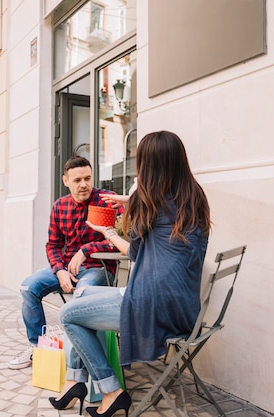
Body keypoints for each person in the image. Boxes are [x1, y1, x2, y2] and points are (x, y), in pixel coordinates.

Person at [49, 131, 211, 417]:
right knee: (83, 295)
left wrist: (109, 231)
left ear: (149, 165)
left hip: (151, 304)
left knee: (68, 315)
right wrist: (131, 201)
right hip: (184, 306)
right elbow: (157, 226)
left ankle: (111, 390)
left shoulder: (149, 202)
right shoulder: (192, 196)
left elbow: (134, 252)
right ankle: (75, 381)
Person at [8, 156, 122, 370]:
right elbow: (52, 245)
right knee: (28, 287)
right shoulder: (60, 206)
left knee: (83, 296)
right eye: (77, 180)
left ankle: (85, 358)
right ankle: (37, 348)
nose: (84, 184)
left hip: (100, 269)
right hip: (67, 268)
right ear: (66, 181)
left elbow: (122, 242)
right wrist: (59, 270)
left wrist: (86, 250)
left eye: (88, 178)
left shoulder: (108, 200)